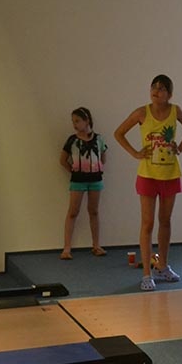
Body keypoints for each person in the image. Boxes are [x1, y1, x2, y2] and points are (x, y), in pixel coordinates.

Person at [114, 74, 182, 291]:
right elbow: (119, 133)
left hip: (170, 174)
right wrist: (135, 153)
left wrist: (180, 147)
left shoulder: (176, 111)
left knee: (165, 221)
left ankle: (163, 265)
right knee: (147, 223)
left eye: (161, 88)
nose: (156, 92)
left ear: (169, 94)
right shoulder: (142, 112)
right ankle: (146, 274)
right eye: (154, 87)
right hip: (148, 174)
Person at [60, 107, 108, 260]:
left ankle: (96, 245)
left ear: (86, 121)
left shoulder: (99, 139)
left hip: (95, 180)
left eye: (77, 121)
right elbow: (63, 160)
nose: (74, 124)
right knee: (73, 212)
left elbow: (103, 157)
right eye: (73, 121)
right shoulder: (72, 140)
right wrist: (74, 171)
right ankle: (67, 248)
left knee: (94, 211)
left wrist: (94, 169)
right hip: (78, 181)